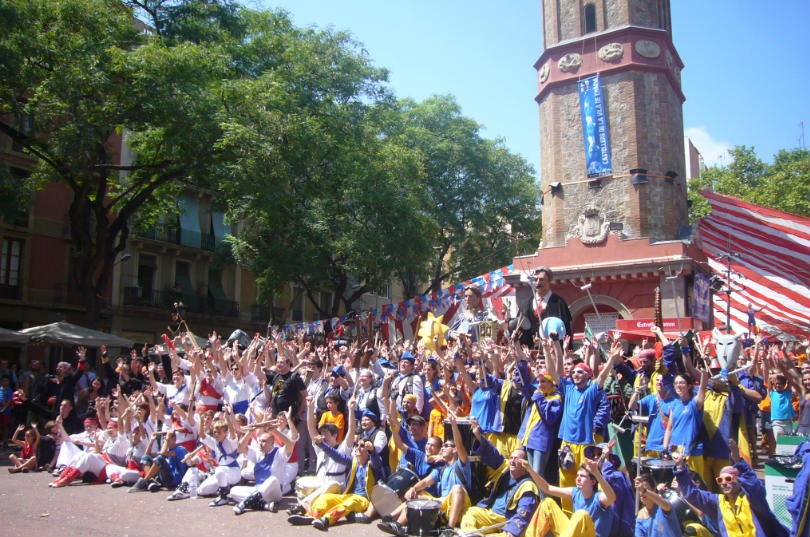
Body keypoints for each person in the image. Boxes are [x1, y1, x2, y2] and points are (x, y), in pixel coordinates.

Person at [378, 412, 473, 536]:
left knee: (457, 488)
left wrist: (454, 425)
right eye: (443, 446)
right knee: (417, 497)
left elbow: (459, 445)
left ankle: (449, 528)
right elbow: (427, 481)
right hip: (444, 505)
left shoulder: (462, 464)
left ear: (454, 450)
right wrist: (413, 489)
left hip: (460, 507)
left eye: (446, 446)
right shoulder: (443, 468)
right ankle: (397, 524)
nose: (443, 448)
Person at [672, 439, 789, 537]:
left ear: (739, 480)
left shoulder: (752, 500)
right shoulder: (718, 501)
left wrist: (738, 460)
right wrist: (680, 466)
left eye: (728, 479)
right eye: (720, 480)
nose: (724, 483)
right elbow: (692, 494)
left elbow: (754, 486)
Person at [456, 418, 540, 537]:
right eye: (511, 458)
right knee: (470, 513)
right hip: (491, 515)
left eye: (517, 458)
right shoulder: (505, 468)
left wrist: (513, 531)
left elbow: (525, 512)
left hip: (507, 520)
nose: (512, 460)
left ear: (525, 464)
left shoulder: (528, 486)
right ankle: (472, 535)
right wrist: (478, 434)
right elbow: (492, 452)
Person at [522, 458, 616, 537]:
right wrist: (530, 469)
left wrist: (596, 473)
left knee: (581, 514)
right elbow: (547, 488)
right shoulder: (575, 492)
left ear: (593, 482)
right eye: (577, 476)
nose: (578, 478)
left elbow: (611, 498)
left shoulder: (598, 497)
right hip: (573, 534)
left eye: (582, 476)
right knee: (547, 503)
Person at [231, 411, 297, 515]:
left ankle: (244, 503)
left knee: (273, 479)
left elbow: (290, 445)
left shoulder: (279, 453)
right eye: (260, 441)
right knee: (234, 490)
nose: (260, 444)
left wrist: (275, 431)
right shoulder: (257, 453)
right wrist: (249, 432)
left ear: (271, 443)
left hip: (274, 492)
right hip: (258, 489)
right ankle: (263, 505)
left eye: (264, 441)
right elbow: (240, 448)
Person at [528, 268, 572, 349]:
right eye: (535, 279)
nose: (538, 282)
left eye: (541, 280)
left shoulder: (559, 303)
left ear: (549, 282)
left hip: (554, 350)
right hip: (533, 352)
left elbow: (566, 330)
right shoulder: (528, 303)